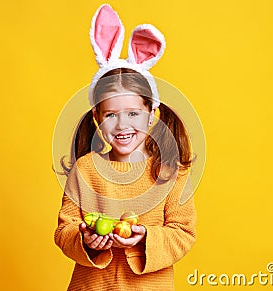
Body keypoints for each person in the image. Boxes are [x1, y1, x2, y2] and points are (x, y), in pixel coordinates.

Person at [54, 4, 196, 290]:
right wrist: (85, 240)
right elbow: (64, 230)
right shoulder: (85, 169)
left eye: (133, 113)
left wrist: (144, 237)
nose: (122, 125)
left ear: (152, 113)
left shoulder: (172, 173)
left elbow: (183, 233)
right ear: (97, 118)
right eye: (111, 115)